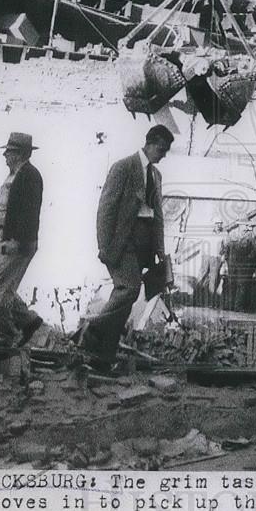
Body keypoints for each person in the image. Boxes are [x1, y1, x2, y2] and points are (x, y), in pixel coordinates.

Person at [80, 124, 174, 373]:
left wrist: (160, 251)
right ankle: (92, 329)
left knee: (124, 301)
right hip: (122, 245)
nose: (163, 155)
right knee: (129, 290)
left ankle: (103, 357)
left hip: (144, 249)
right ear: (151, 143)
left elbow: (158, 216)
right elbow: (106, 209)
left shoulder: (156, 176)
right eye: (162, 150)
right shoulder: (123, 167)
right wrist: (105, 247)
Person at [0, 132, 44, 347]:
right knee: (0, 286)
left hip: (15, 243)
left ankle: (2, 336)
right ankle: (28, 320)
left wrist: (17, 241)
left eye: (8, 152)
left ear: (19, 154)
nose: (5, 156)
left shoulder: (29, 176)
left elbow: (29, 213)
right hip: (4, 240)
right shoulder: (17, 174)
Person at [223, 220, 256, 311]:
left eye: (247, 224)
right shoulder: (232, 235)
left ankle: (238, 306)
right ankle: (229, 305)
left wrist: (249, 259)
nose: (246, 226)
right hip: (232, 264)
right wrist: (226, 259)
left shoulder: (251, 235)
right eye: (244, 224)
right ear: (240, 225)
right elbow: (226, 248)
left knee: (242, 285)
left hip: (244, 265)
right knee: (232, 284)